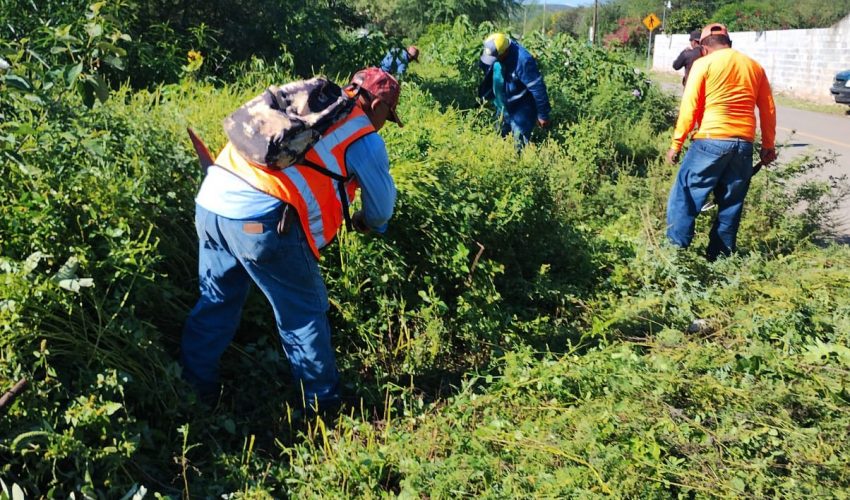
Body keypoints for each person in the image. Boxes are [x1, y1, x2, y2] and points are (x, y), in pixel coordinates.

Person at [181, 68, 401, 412]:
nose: (386, 123)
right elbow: (381, 209)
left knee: (216, 301)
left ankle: (192, 391)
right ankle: (322, 407)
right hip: (261, 220)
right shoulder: (362, 134)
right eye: (389, 115)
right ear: (376, 104)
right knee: (303, 313)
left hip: (211, 201)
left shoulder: (305, 105)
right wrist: (366, 222)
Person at [665, 23, 777, 261]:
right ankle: (720, 261)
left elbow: (690, 106)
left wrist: (677, 143)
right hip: (743, 145)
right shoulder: (754, 66)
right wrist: (768, 146)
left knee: (684, 196)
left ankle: (674, 256)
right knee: (731, 206)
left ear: (704, 48)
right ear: (729, 43)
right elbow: (767, 108)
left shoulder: (703, 64)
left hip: (711, 140)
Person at [477, 33, 551, 151]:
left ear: (504, 52)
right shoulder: (493, 50)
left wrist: (543, 114)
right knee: (499, 141)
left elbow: (538, 88)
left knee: (518, 145)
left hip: (521, 109)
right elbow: (487, 67)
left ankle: (518, 166)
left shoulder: (523, 60)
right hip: (502, 107)